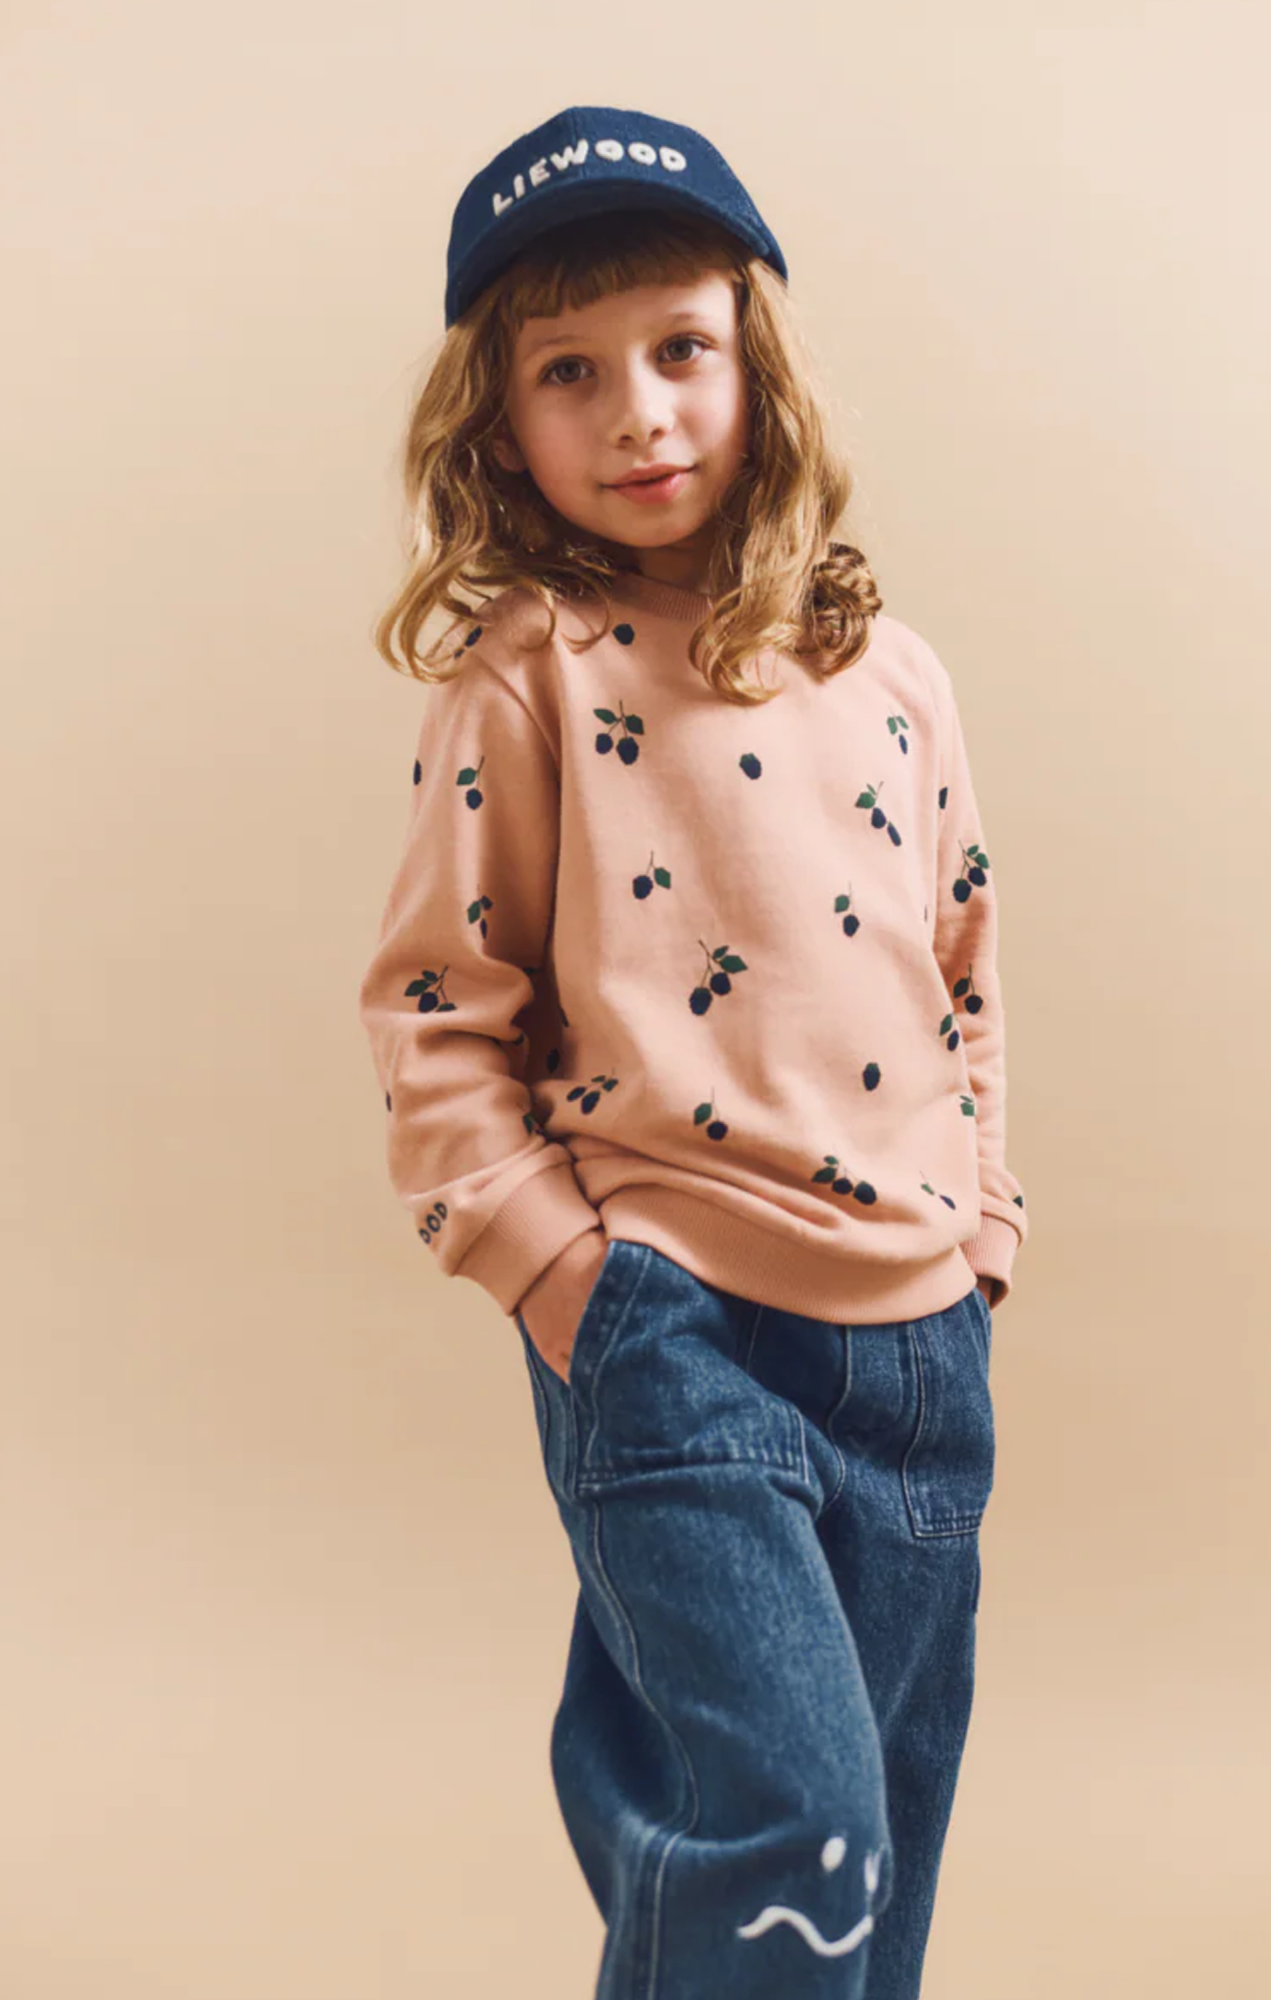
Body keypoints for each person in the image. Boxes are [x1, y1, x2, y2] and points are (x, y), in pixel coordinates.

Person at [357, 103, 1029, 2000]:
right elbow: (436, 1011)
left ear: (759, 368)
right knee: (787, 1833)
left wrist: (983, 1232)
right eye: (569, 372)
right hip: (672, 1327)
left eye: (679, 351)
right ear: (501, 423)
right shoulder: (531, 674)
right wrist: (566, 1280)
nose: (638, 414)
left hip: (920, 1347)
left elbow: (963, 964)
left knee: (875, 1860)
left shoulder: (894, 672)